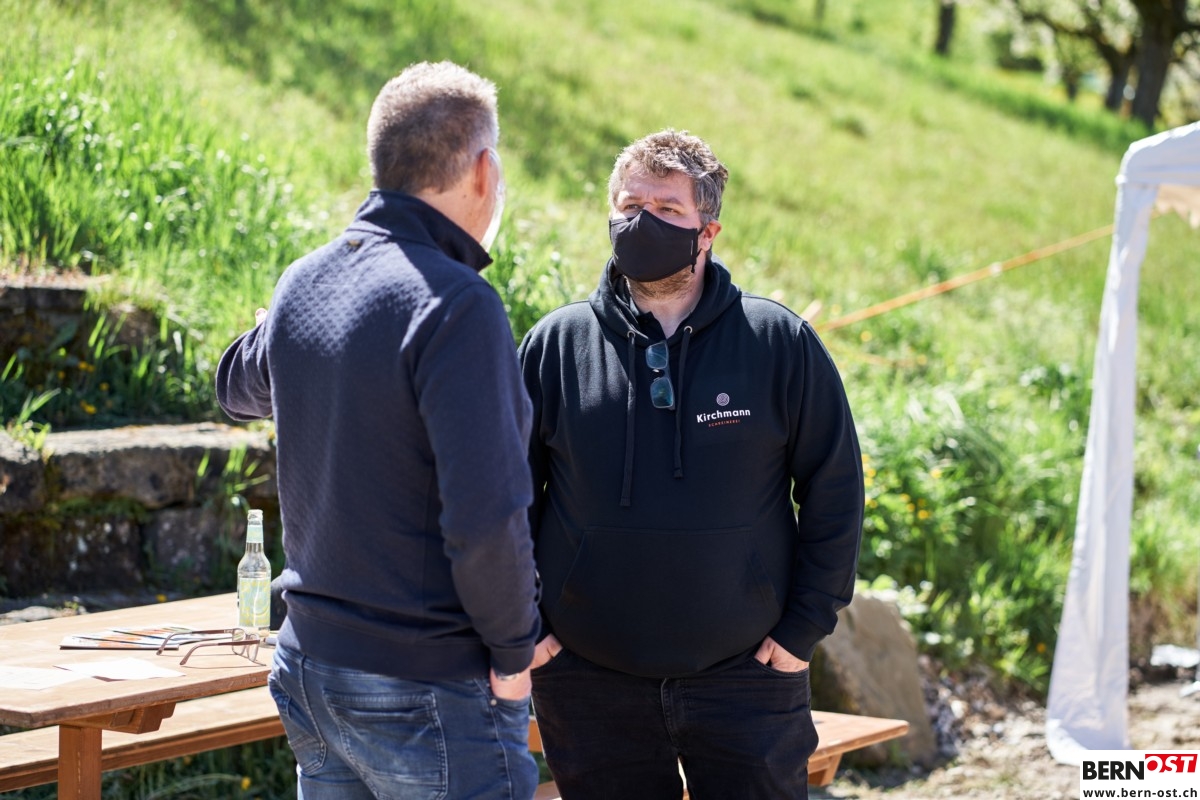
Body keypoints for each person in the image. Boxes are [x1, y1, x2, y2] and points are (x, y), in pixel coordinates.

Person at [216, 61, 541, 800]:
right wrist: (513, 652)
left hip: (309, 667)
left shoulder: (304, 282)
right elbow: (486, 517)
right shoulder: (458, 304)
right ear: (484, 171)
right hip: (424, 680)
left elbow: (234, 385)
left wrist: (284, 323)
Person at [518, 129, 864, 799]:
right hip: (587, 681)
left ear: (708, 232)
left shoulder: (778, 342)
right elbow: (505, 500)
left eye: (667, 209)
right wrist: (528, 631)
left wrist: (802, 630)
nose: (641, 223)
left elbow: (835, 492)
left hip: (748, 677)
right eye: (629, 205)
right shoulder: (555, 347)